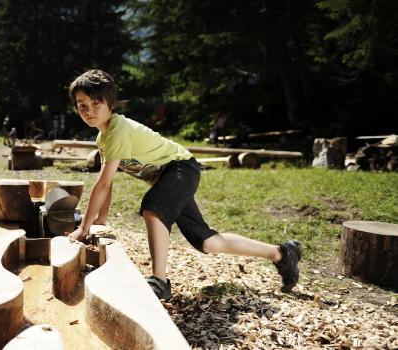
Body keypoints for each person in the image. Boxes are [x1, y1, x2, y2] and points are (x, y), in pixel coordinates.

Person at [67, 70, 302, 300]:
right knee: (208, 242)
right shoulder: (103, 137)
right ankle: (281, 253)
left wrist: (84, 228)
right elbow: (107, 182)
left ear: (111, 104)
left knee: (153, 207)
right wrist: (100, 221)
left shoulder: (119, 128)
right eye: (82, 105)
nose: (88, 111)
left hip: (181, 168)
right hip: (172, 178)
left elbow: (102, 183)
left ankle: (159, 281)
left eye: (96, 103)